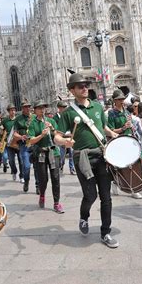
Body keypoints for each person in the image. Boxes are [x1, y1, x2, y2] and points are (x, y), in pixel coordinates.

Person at [54, 73, 120, 248]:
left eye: (86, 85)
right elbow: (56, 137)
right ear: (72, 90)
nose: (84, 88)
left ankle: (105, 232)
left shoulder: (98, 107)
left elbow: (102, 127)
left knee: (106, 197)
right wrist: (65, 142)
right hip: (82, 158)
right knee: (90, 195)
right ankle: (84, 217)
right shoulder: (68, 113)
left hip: (101, 155)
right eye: (80, 86)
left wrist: (113, 134)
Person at [29, 100, 64, 213]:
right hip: (41, 153)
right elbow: (32, 141)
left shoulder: (51, 120)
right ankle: (42, 195)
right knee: (43, 179)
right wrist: (42, 135)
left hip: (54, 153)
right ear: (35, 110)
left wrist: (52, 129)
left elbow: (59, 135)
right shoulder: (33, 123)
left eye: (43, 107)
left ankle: (56, 203)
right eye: (39, 108)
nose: (42, 110)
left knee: (55, 178)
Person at [107, 89, 142, 199]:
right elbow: (111, 130)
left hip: (129, 140)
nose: (122, 101)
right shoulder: (111, 113)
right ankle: (115, 183)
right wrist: (123, 128)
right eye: (119, 99)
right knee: (120, 166)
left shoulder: (127, 112)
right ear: (114, 101)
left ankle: (133, 189)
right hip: (118, 142)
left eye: (122, 99)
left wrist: (131, 126)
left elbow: (131, 126)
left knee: (132, 165)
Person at [14, 100, 34, 192]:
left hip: (35, 144)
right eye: (25, 107)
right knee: (26, 166)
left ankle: (38, 185)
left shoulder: (34, 117)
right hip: (24, 145)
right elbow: (14, 133)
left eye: (29, 106)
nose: (28, 108)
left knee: (38, 166)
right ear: (22, 108)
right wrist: (21, 136)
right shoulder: (18, 119)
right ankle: (26, 181)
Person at [54, 101, 75, 175]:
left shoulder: (67, 115)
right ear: (59, 108)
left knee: (72, 153)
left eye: (65, 107)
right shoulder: (55, 118)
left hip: (69, 138)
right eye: (63, 107)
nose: (65, 109)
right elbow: (56, 129)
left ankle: (72, 168)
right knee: (61, 155)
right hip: (61, 139)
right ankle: (61, 165)